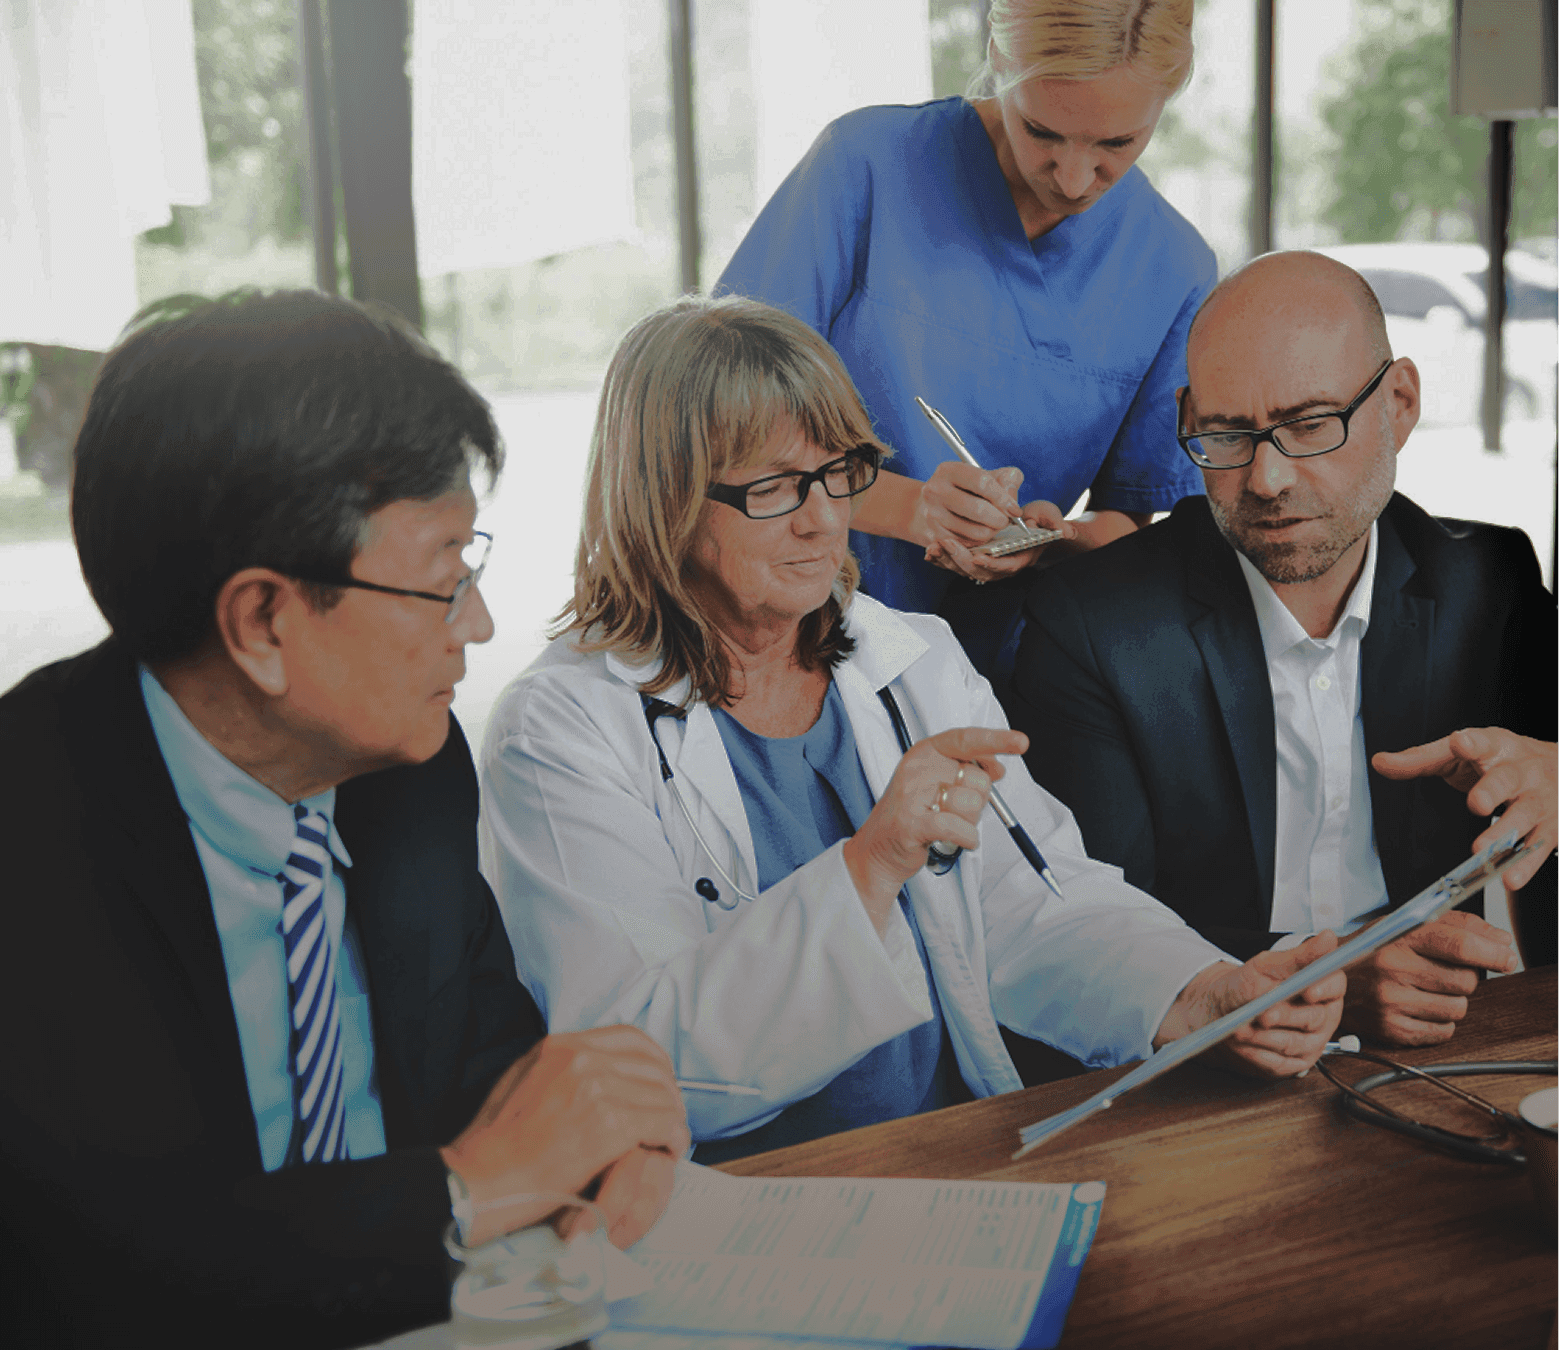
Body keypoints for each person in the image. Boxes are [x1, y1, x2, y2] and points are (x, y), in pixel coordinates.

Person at [479, 294, 1344, 1164]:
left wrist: (1200, 993)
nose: (822, 518)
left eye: (838, 472)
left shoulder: (913, 660)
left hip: (946, 1157)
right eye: (775, 487)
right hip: (730, 1202)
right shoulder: (561, 726)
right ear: (662, 496)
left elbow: (1034, 904)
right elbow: (639, 1067)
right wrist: (869, 868)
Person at [0, 291, 690, 1348]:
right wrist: (472, 1188)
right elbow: (100, 1264)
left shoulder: (405, 768)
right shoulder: (36, 830)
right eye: (442, 581)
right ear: (263, 620)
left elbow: (475, 1047)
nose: (481, 626)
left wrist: (590, 1136)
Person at [1009, 250, 1557, 1048]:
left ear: (1398, 404)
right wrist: (1323, 985)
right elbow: (1089, 930)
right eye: (1226, 434)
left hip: (1452, 1051)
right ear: (1186, 422)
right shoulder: (1093, 624)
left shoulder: (1488, 581)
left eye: (1308, 425)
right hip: (1202, 1075)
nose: (1266, 478)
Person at [715, 0, 1214, 685]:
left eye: (1116, 146)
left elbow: (1124, 518)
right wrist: (913, 511)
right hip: (774, 634)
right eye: (1042, 130)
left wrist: (1046, 542)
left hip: (986, 669)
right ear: (998, 60)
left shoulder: (1174, 267)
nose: (1072, 179)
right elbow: (719, 418)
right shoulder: (864, 166)